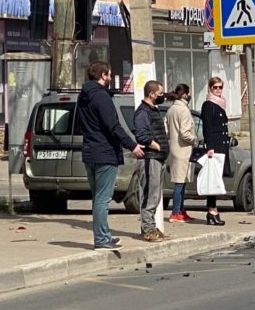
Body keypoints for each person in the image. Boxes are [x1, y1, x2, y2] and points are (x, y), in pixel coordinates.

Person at [78, 61, 144, 250]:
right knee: (102, 199)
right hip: (104, 152)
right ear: (104, 75)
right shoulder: (101, 97)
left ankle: (104, 234)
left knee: (97, 198)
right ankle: (101, 239)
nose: (109, 79)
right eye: (108, 75)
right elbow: (113, 126)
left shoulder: (83, 97)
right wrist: (132, 145)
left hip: (90, 152)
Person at [133, 80, 170, 242]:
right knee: (150, 195)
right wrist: (156, 146)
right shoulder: (143, 112)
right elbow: (141, 135)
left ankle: (151, 226)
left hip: (158, 159)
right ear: (152, 94)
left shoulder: (153, 110)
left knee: (155, 195)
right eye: (160, 93)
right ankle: (148, 229)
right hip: (150, 159)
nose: (162, 96)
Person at [199, 76, 231, 226]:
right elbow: (207, 128)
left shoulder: (221, 103)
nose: (218, 90)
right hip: (215, 146)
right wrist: (209, 147)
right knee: (213, 180)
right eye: (215, 87)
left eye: (220, 87)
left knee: (217, 180)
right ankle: (212, 211)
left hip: (222, 145)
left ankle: (213, 211)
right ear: (210, 88)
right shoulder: (208, 104)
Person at [166, 83, 198, 223]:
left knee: (182, 181)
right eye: (189, 93)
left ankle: (181, 210)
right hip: (183, 149)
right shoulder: (183, 110)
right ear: (185, 94)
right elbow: (185, 133)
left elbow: (166, 130)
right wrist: (194, 140)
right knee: (180, 183)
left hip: (174, 148)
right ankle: (175, 212)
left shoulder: (171, 109)